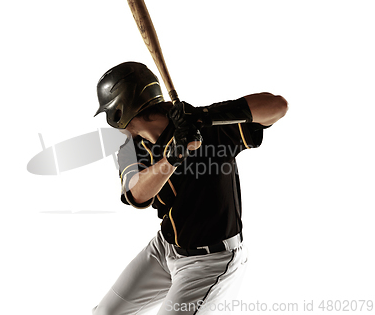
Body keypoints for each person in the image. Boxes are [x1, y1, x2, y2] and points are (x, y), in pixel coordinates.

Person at [92, 62, 288, 314]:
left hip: (211, 261)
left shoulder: (205, 128)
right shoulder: (130, 150)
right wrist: (173, 158)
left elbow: (278, 107)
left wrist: (206, 116)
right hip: (164, 249)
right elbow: (137, 196)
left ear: (119, 114)